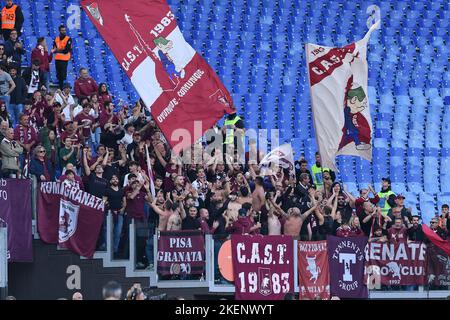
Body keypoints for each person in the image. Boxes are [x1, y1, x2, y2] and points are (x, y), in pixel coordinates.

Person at [104, 174, 126, 257]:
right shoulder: (107, 190)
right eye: (113, 179)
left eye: (116, 179)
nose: (115, 180)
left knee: (118, 232)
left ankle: (115, 250)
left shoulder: (121, 190)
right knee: (108, 231)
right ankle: (108, 249)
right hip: (110, 213)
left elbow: (124, 202)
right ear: (110, 181)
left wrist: (123, 209)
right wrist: (107, 204)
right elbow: (104, 201)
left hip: (119, 213)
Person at [53, 25, 72, 89]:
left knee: (62, 76)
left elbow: (66, 50)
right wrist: (60, 50)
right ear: (59, 31)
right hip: (57, 59)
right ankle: (60, 88)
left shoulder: (68, 39)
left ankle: (61, 88)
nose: (64, 32)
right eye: (62, 30)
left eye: (64, 30)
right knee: (59, 75)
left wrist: (58, 50)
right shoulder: (56, 39)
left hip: (64, 59)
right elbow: (54, 49)